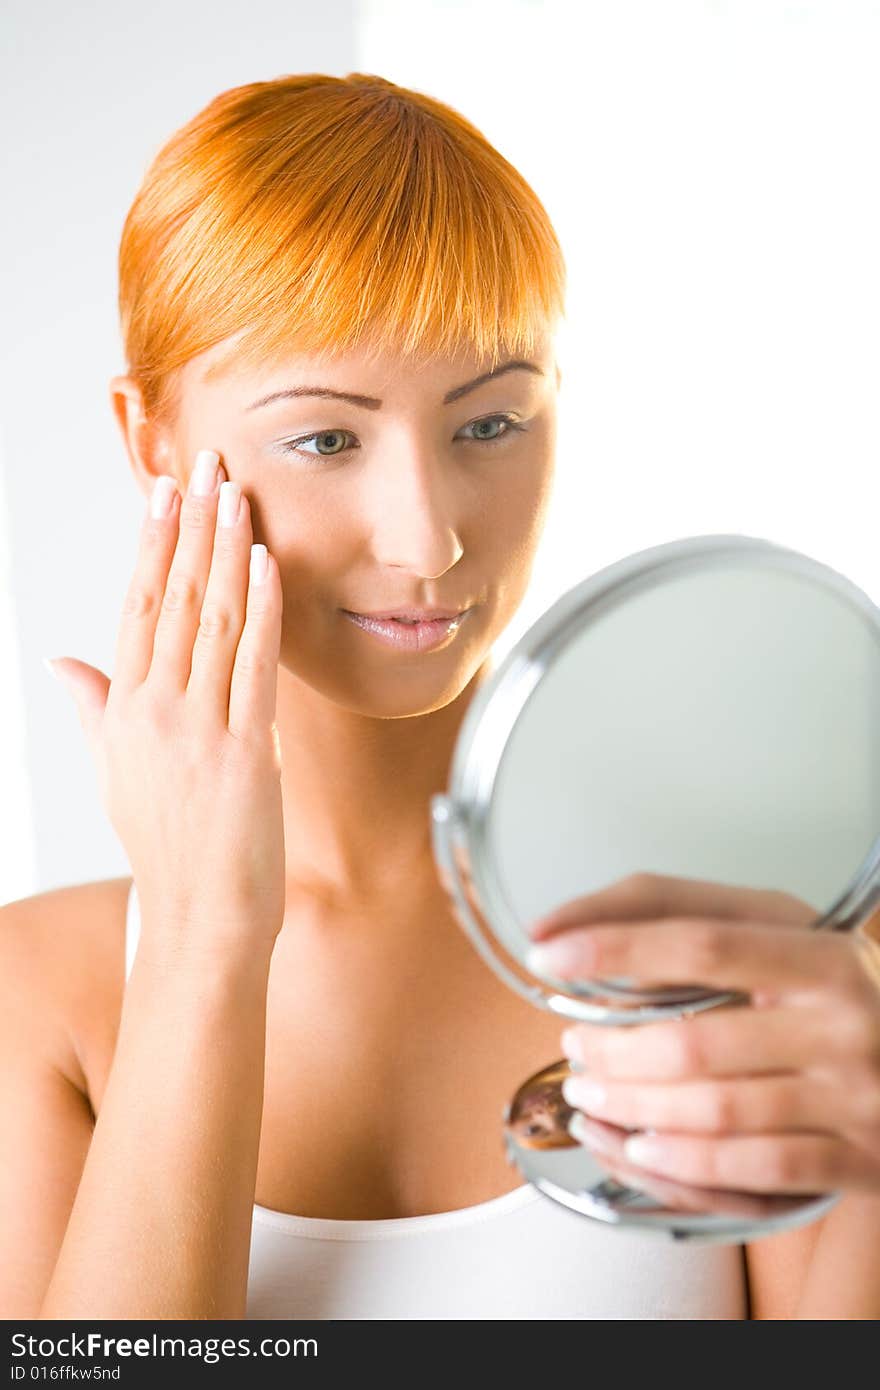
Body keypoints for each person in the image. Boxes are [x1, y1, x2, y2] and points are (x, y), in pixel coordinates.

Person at [1, 72, 878, 1322]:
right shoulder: (36, 1001)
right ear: (149, 441)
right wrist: (201, 939)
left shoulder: (760, 933)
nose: (427, 542)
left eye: (488, 424)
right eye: (325, 439)